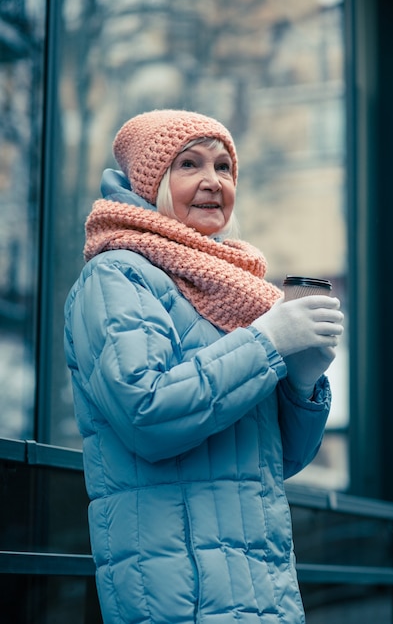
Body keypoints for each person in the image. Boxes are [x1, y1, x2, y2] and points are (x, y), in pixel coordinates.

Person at [64, 109, 344, 624]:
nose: (213, 181)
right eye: (189, 164)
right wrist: (267, 341)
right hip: (182, 594)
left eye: (224, 167)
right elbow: (147, 414)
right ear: (153, 181)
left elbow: (274, 461)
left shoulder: (232, 289)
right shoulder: (118, 274)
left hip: (264, 589)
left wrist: (302, 379)